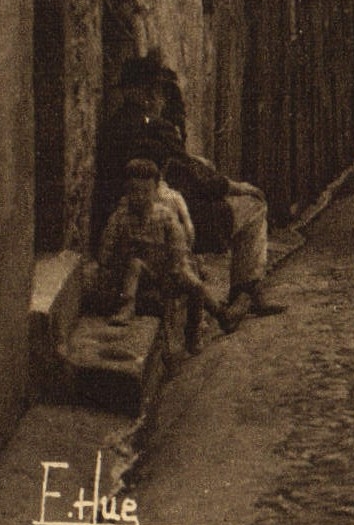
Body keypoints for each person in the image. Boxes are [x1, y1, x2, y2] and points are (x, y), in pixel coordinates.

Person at [109, 51, 284, 327]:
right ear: (148, 94)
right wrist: (235, 187)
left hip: (130, 217)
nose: (161, 101)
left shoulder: (115, 125)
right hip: (173, 219)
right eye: (159, 94)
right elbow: (195, 178)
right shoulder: (157, 128)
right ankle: (246, 287)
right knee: (255, 206)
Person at [94, 158, 227, 355]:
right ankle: (127, 306)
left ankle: (193, 332)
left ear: (155, 190)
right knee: (135, 264)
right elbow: (106, 249)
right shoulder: (120, 218)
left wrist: (175, 266)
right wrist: (109, 264)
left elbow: (178, 244)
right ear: (126, 191)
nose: (139, 197)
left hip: (164, 268)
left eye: (145, 191)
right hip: (136, 272)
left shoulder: (164, 216)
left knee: (196, 287)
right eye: (133, 191)